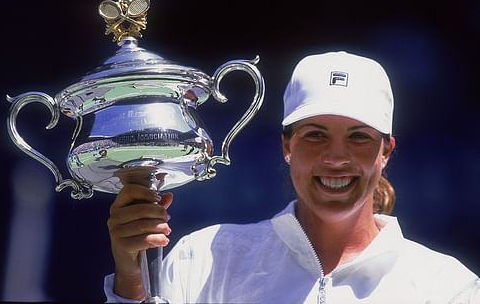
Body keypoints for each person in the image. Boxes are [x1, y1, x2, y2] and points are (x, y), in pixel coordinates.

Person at [104, 51, 480, 303]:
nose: (336, 157)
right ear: (287, 146)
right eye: (315, 134)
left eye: (359, 137)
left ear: (385, 152)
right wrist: (131, 276)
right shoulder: (203, 259)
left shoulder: (446, 288)